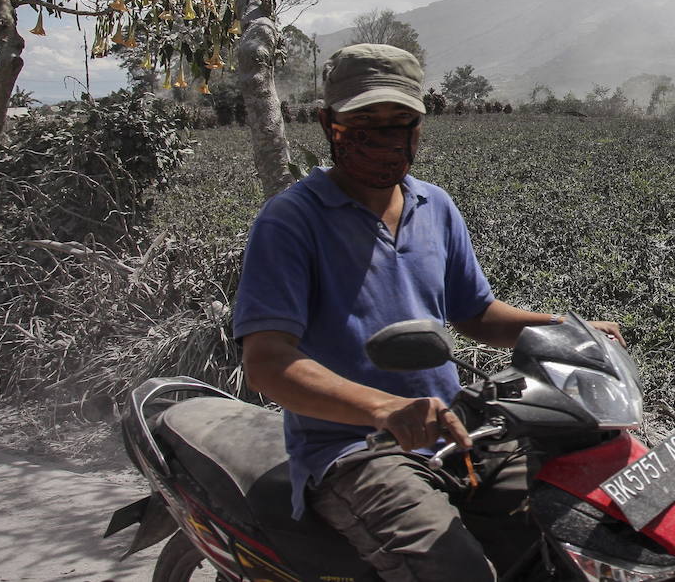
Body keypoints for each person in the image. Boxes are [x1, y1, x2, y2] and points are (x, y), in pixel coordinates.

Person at [232, 43, 623, 582]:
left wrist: (563, 330)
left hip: (459, 428)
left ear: (420, 126)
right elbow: (268, 362)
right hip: (355, 450)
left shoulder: (433, 206)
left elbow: (478, 315)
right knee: (455, 571)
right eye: (364, 122)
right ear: (328, 124)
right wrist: (384, 409)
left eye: (401, 121)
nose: (386, 139)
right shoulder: (292, 221)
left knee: (567, 525)